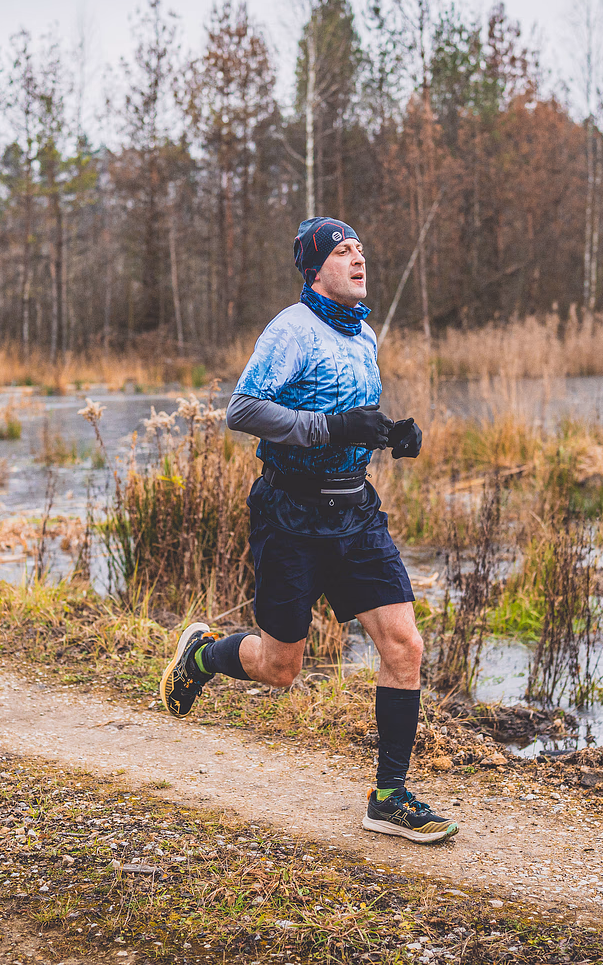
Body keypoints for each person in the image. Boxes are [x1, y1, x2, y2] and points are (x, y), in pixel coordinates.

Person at [158, 217, 458, 844]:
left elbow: (349, 415)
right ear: (316, 269)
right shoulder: (292, 329)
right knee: (281, 667)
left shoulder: (363, 334)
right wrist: (333, 429)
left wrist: (388, 434)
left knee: (404, 647)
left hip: (355, 512)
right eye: (343, 251)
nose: (359, 258)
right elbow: (243, 409)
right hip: (291, 515)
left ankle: (388, 797)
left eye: (361, 248)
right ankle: (203, 655)